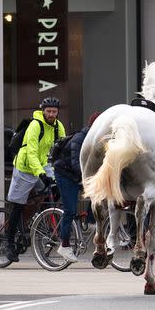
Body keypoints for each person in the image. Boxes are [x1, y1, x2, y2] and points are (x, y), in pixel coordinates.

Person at [5, 97, 65, 262]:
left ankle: (38, 216)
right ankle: (9, 243)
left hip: (43, 165)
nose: (51, 114)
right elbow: (31, 153)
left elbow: (61, 150)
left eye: (54, 112)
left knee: (57, 189)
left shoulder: (58, 127)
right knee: (17, 206)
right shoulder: (35, 125)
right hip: (25, 167)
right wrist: (41, 174)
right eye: (48, 111)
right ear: (43, 111)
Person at [53, 111, 101, 262]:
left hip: (77, 175)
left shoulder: (96, 140)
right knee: (70, 210)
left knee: (100, 194)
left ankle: (90, 221)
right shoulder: (80, 138)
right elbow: (76, 163)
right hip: (65, 174)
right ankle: (64, 246)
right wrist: (89, 178)